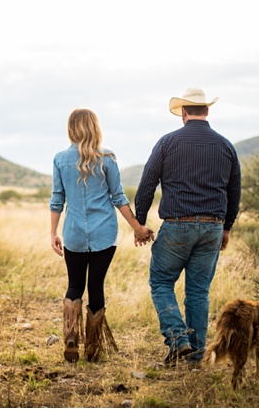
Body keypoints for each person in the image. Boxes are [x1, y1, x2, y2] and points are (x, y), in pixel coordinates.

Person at [134, 88, 241, 366]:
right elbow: (234, 190)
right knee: (198, 291)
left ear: (183, 112)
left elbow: (147, 184)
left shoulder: (168, 142)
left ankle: (178, 339)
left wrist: (140, 222)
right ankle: (194, 358)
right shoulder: (225, 145)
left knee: (160, 282)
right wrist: (226, 227)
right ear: (207, 111)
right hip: (212, 228)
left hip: (177, 226)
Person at [50, 108, 154, 363]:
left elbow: (57, 200)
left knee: (75, 285)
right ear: (95, 127)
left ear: (71, 128)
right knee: (96, 286)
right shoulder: (107, 158)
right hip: (104, 233)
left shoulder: (60, 159)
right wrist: (137, 226)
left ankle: (71, 337)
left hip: (73, 232)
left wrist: (52, 232)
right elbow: (118, 196)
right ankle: (94, 347)